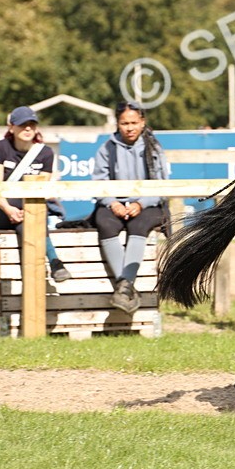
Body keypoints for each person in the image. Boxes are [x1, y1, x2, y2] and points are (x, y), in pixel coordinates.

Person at [91, 101, 169, 314]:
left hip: (148, 203)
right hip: (114, 202)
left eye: (134, 122)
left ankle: (123, 286)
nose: (130, 127)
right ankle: (126, 286)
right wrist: (112, 203)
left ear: (143, 122)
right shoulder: (106, 148)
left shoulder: (155, 148)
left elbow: (163, 184)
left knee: (139, 225)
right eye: (125, 123)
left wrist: (140, 203)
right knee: (104, 223)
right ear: (117, 123)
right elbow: (98, 183)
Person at [0, 106, 71, 283]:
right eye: (23, 125)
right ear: (11, 127)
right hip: (1, 210)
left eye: (32, 124)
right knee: (30, 217)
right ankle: (55, 261)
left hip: (29, 210)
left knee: (30, 218)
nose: (28, 129)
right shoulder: (1, 148)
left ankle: (39, 276)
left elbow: (42, 191)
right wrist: (8, 209)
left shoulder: (45, 153)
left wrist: (21, 212)